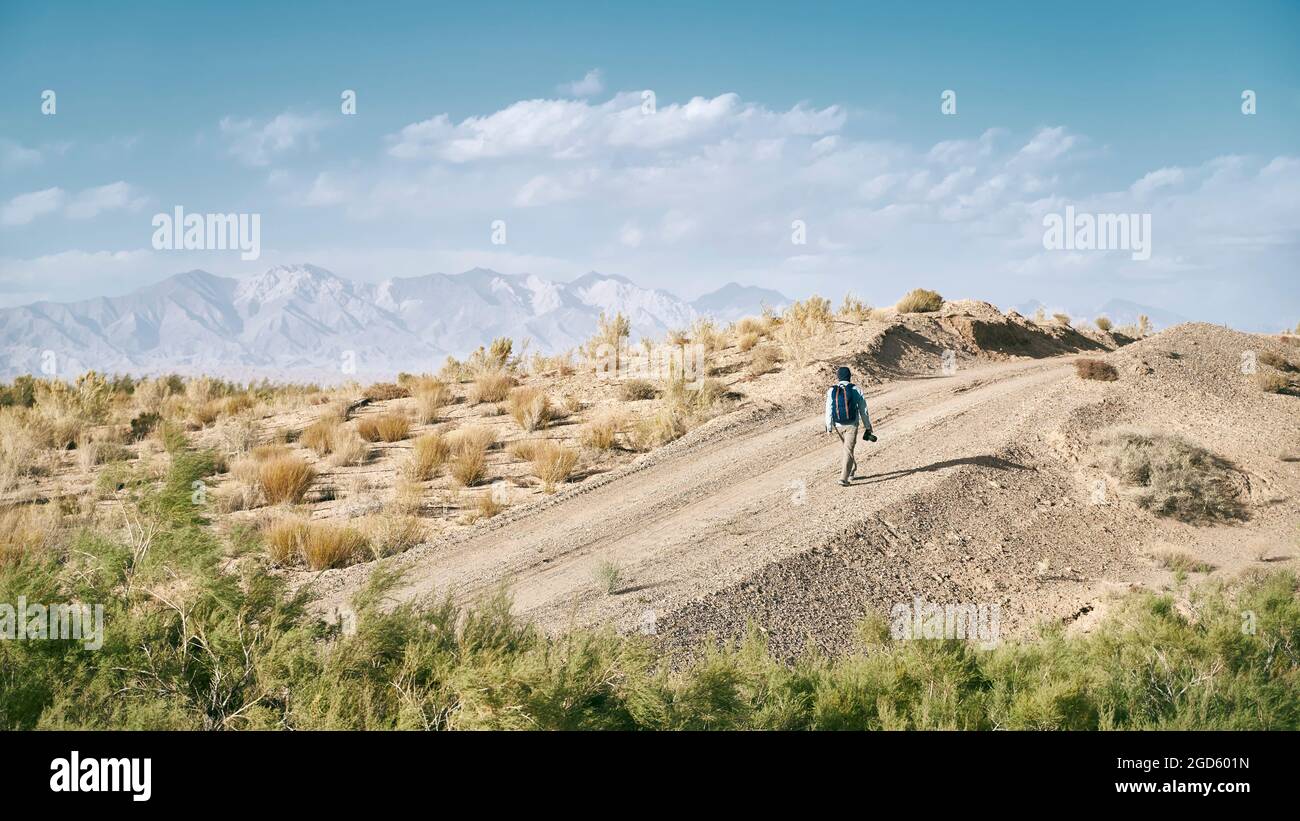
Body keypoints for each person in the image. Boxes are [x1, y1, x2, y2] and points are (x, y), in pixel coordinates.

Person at [825, 366, 875, 486]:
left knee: (847, 449)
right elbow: (864, 410)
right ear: (849, 376)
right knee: (848, 450)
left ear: (838, 377)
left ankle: (850, 470)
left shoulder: (832, 390)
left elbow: (828, 409)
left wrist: (828, 426)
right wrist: (867, 426)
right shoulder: (856, 389)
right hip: (852, 424)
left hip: (838, 425)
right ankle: (844, 478)